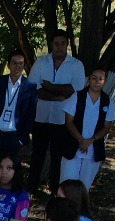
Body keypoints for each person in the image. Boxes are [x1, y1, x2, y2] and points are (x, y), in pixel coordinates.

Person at [29, 31, 87, 193]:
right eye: (56, 43)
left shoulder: (76, 65)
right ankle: (31, 188)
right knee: (37, 154)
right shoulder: (41, 63)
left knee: (57, 156)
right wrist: (58, 95)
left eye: (63, 43)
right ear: (51, 45)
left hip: (63, 120)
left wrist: (48, 86)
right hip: (40, 117)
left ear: (67, 44)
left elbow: (75, 90)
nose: (59, 47)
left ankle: (55, 190)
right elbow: (33, 89)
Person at [0, 49, 38, 190]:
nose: (17, 67)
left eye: (21, 63)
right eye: (14, 63)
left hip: (14, 137)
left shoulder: (30, 86)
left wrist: (22, 139)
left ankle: (8, 202)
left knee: (11, 175)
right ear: (8, 65)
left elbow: (31, 115)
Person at [60, 64, 115, 190]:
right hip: (73, 147)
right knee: (67, 185)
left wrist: (90, 141)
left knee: (84, 187)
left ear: (104, 81)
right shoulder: (77, 96)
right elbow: (69, 122)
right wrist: (81, 140)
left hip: (93, 150)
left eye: (100, 79)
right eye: (94, 78)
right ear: (89, 79)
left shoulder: (107, 101)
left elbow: (106, 127)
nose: (97, 82)